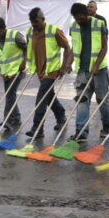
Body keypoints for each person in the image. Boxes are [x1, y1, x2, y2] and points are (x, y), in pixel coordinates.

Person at [26, 8, 73, 139]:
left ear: (42, 19)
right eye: (31, 22)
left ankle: (37, 128)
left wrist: (64, 67)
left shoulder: (54, 31)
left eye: (36, 22)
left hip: (52, 70)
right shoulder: (30, 32)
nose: (34, 25)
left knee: (41, 97)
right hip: (40, 70)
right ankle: (61, 116)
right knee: (49, 96)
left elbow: (67, 48)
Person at [69, 2, 109, 142]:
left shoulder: (99, 24)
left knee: (102, 99)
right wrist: (67, 64)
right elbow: (73, 47)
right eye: (76, 18)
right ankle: (81, 132)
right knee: (82, 100)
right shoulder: (74, 26)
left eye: (81, 18)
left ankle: (107, 127)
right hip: (82, 71)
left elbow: (105, 47)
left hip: (99, 70)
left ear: (87, 14)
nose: (78, 21)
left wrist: (96, 65)